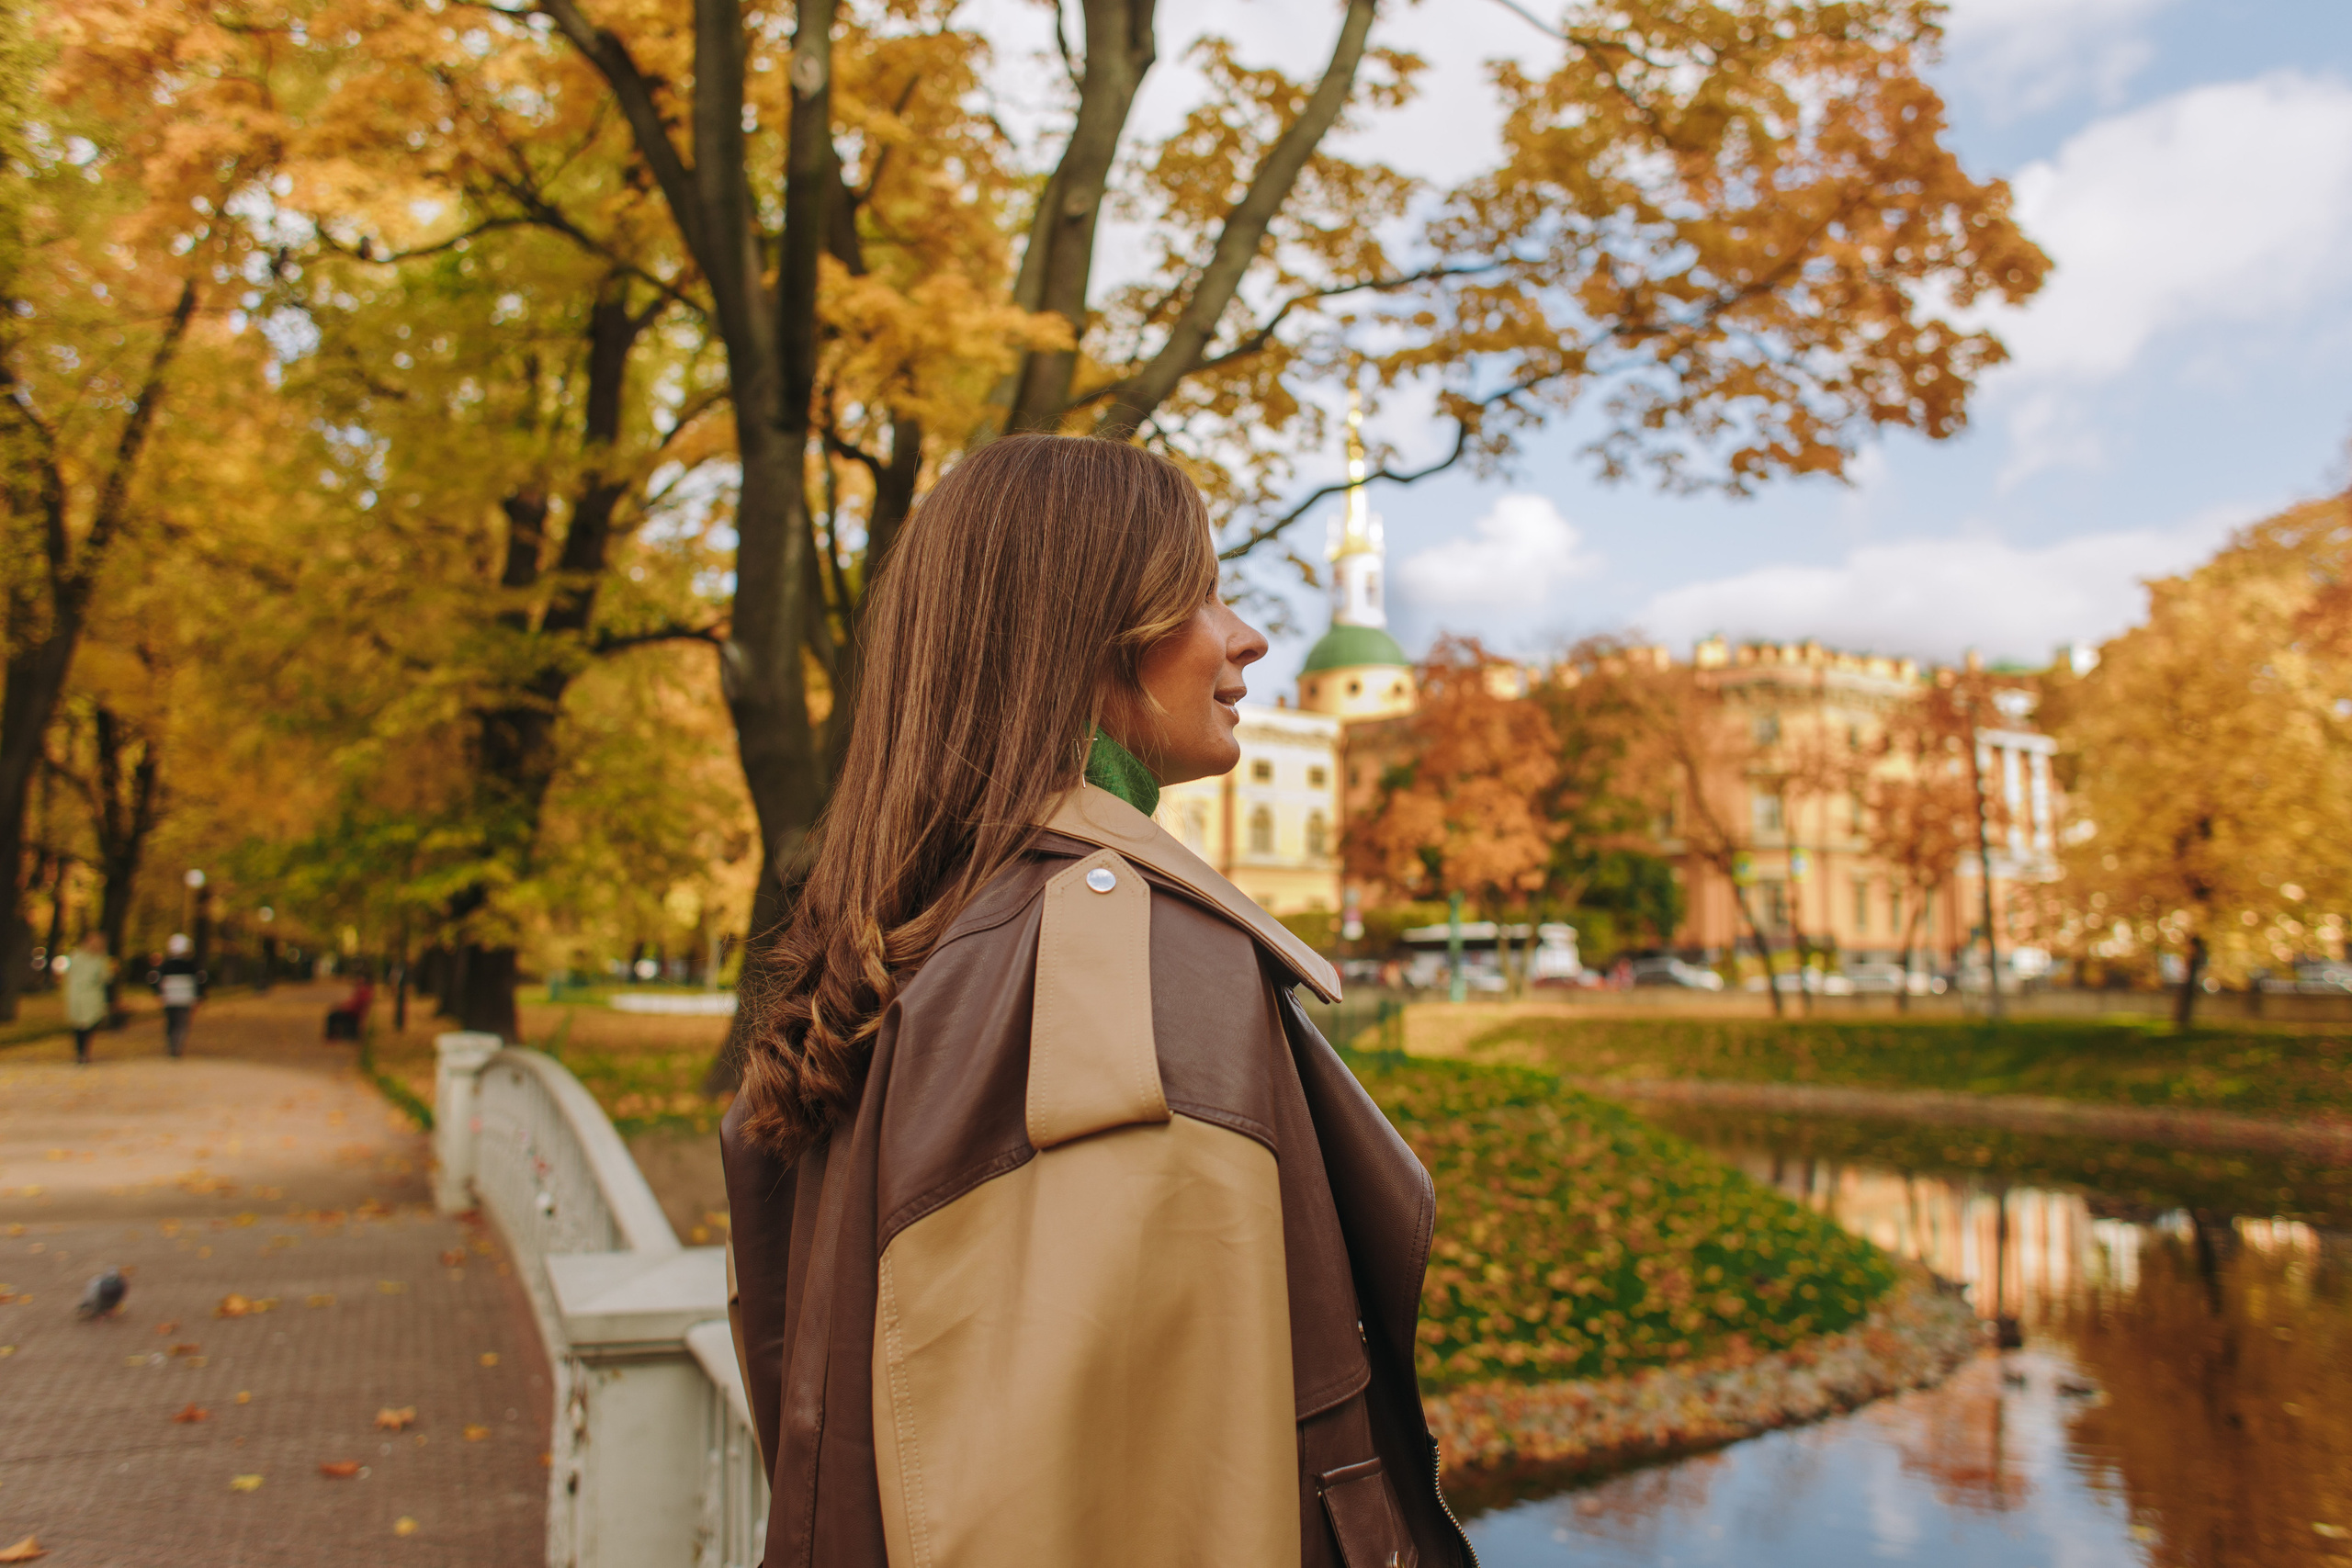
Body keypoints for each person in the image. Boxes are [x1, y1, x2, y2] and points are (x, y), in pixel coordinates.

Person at [720, 436, 1472, 1568]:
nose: (1245, 639)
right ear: (1084, 636)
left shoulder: (931, 923)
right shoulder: (1112, 955)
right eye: (1199, 593)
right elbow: (1116, 1510)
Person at [62, 931, 114, 1066]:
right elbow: (70, 975)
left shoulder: (100, 959)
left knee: (90, 1023)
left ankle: (84, 1051)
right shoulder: (77, 956)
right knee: (78, 1025)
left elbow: (106, 978)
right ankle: (81, 1052)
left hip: (92, 996)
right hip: (78, 995)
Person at [151, 933, 204, 1058]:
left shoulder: (165, 965)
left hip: (169, 999)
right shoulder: (191, 965)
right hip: (185, 999)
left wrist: (159, 994)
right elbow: (199, 981)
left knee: (171, 1022)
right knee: (181, 1023)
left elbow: (155, 981)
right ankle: (177, 1044)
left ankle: (172, 1044)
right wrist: (198, 996)